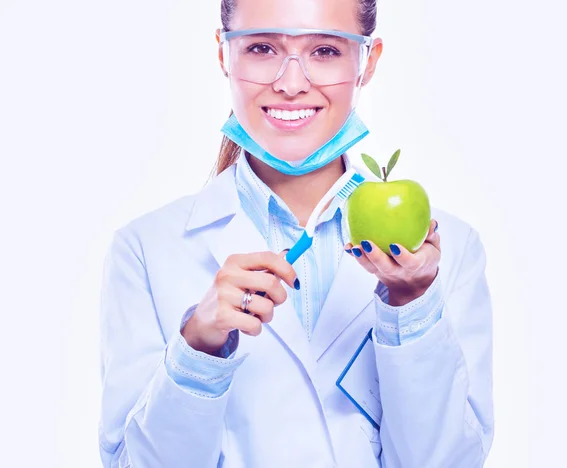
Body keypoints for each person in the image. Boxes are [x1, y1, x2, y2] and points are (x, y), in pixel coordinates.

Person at [98, 0, 494, 466]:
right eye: (263, 47)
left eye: (325, 51)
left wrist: (412, 305)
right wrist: (198, 347)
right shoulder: (145, 250)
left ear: (368, 61)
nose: (290, 84)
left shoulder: (450, 250)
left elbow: (443, 461)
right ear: (224, 55)